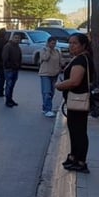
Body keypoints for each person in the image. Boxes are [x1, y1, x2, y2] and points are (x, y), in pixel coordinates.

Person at [56, 33, 94, 173]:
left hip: (78, 101)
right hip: (75, 101)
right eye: (70, 43)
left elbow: (75, 81)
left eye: (75, 43)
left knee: (79, 132)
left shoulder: (81, 60)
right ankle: (73, 157)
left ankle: (80, 161)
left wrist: (59, 86)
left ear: (83, 45)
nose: (71, 46)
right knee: (74, 130)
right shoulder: (80, 58)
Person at [38, 36, 61, 118]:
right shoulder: (43, 50)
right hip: (45, 74)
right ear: (48, 43)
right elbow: (45, 58)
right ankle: (48, 109)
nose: (53, 45)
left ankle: (45, 107)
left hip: (54, 74)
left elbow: (60, 61)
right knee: (46, 92)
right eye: (52, 43)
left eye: (55, 43)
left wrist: (59, 69)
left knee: (51, 92)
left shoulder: (57, 51)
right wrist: (48, 49)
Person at [2, 32, 24, 107]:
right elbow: (5, 58)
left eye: (18, 38)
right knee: (9, 85)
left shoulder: (17, 47)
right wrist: (10, 66)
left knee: (12, 85)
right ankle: (7, 101)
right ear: (12, 38)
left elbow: (20, 57)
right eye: (16, 38)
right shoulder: (8, 46)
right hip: (9, 69)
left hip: (15, 69)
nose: (17, 39)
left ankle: (10, 99)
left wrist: (19, 65)